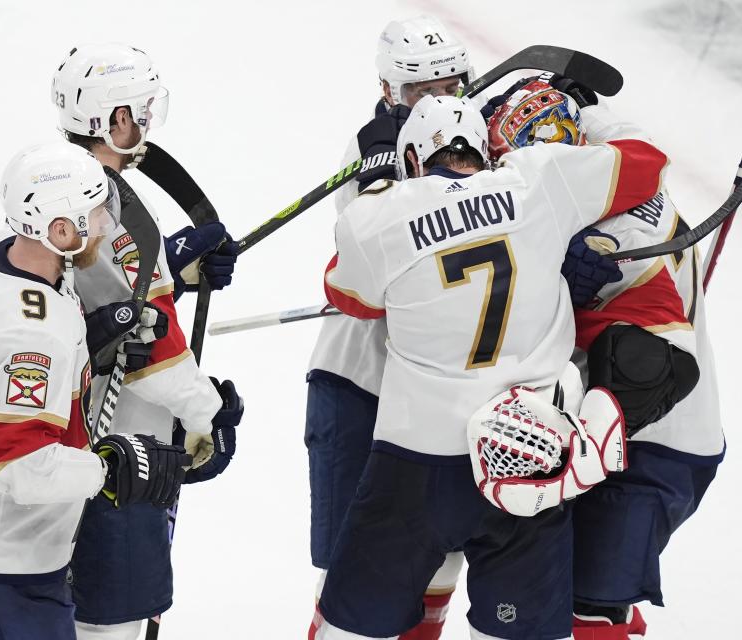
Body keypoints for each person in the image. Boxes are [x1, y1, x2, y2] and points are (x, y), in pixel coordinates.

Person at [315, 90, 669, 640]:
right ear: (486, 149)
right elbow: (646, 162)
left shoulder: (379, 216)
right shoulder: (540, 177)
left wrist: (380, 185)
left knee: (351, 631)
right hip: (530, 453)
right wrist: (583, 105)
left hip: (415, 464)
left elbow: (351, 297)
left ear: (413, 161)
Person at [0, 142, 192, 640]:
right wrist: (109, 469)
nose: (105, 225)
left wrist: (94, 332)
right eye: (93, 214)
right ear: (59, 230)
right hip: (2, 555)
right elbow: (15, 462)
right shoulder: (33, 336)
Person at [487, 80, 715, 639]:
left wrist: (559, 286)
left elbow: (660, 361)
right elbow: (626, 138)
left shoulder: (600, 232)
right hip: (619, 429)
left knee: (590, 606)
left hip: (653, 445)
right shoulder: (618, 165)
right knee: (580, 596)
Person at [51, 43, 244, 639]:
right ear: (113, 120)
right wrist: (206, 412)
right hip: (120, 441)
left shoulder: (61, 185)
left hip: (70, 428)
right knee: (114, 616)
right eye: (139, 110)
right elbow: (151, 347)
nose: (148, 123)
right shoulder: (110, 202)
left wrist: (172, 269)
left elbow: (107, 293)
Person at [306, 17, 474, 639]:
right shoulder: (370, 152)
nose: (436, 101)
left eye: (449, 83)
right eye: (417, 91)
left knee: (439, 566)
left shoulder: (483, 146)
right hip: (359, 385)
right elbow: (368, 278)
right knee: (355, 583)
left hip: (441, 396)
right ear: (386, 88)